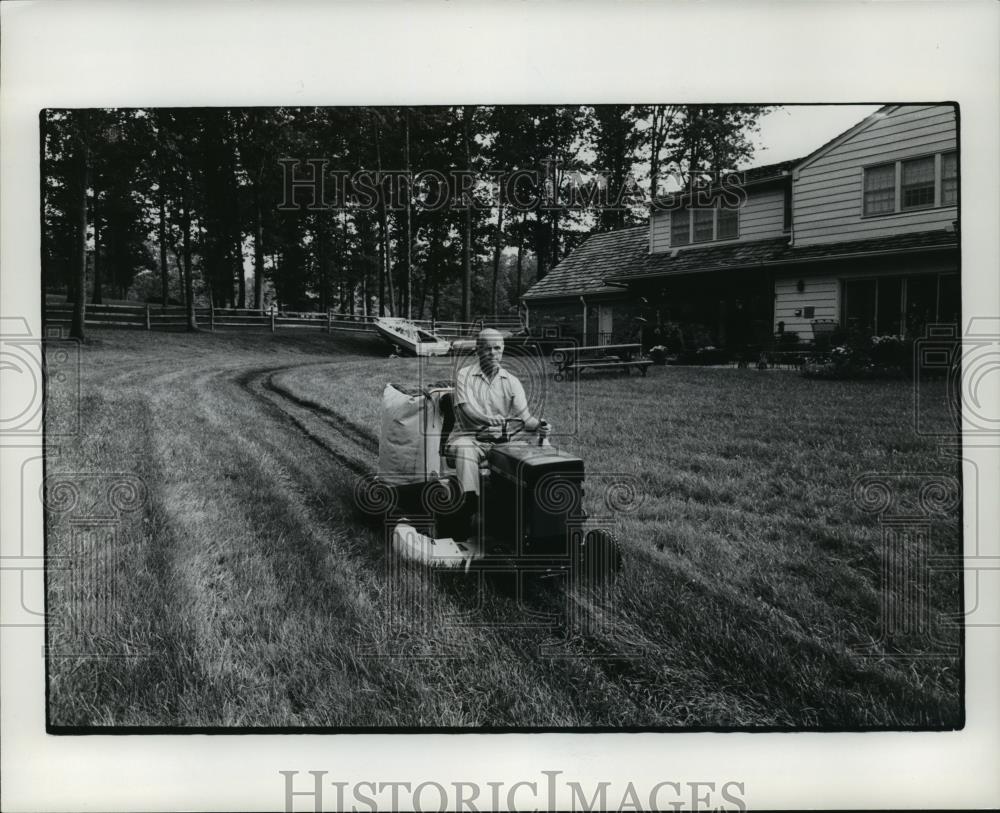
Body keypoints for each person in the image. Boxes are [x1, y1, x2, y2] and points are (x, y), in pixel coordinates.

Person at [446, 328, 548, 537]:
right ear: (477, 350)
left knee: (526, 458)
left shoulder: (511, 381)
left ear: (502, 351)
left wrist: (540, 425)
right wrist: (486, 419)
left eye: (497, 348)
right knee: (465, 450)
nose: (492, 353)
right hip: (468, 437)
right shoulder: (464, 375)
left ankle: (525, 513)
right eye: (487, 349)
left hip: (500, 441)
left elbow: (525, 418)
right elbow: (465, 410)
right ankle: (469, 504)